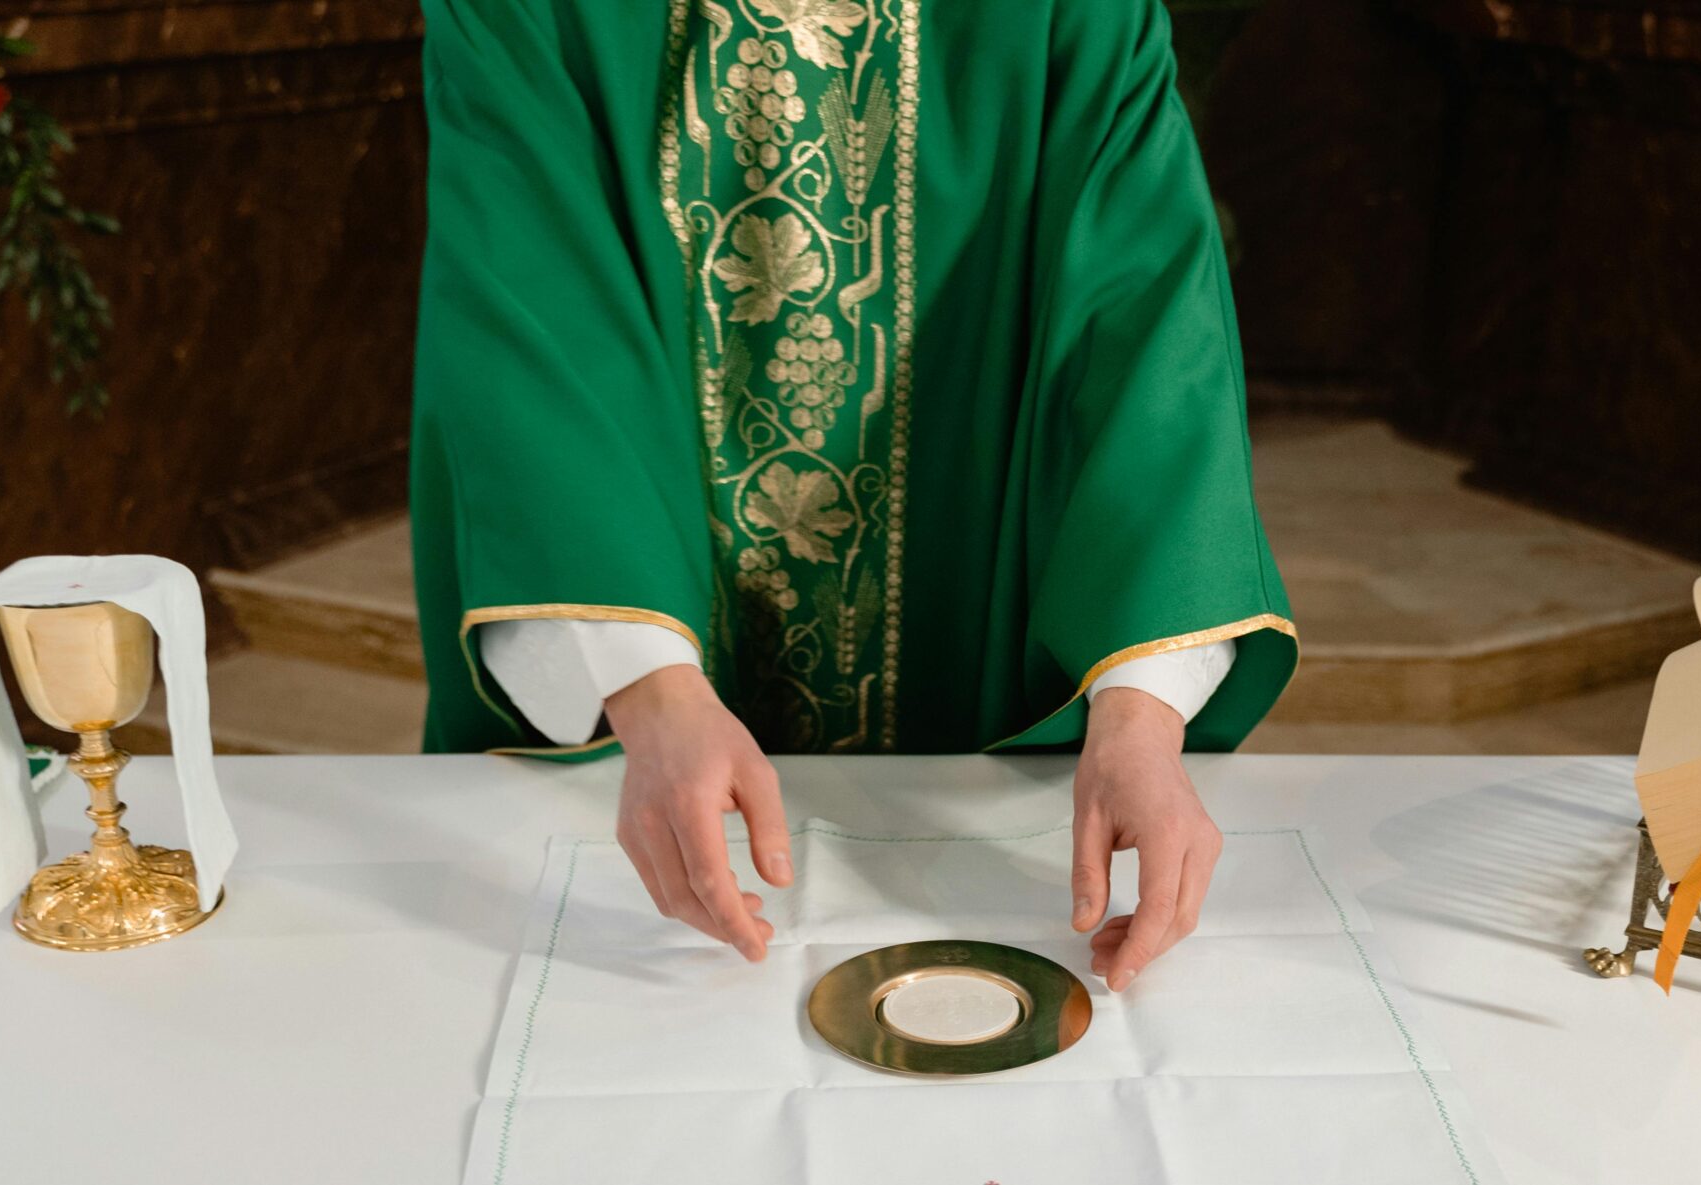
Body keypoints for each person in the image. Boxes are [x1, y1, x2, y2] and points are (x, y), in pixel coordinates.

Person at [410, 0, 1296, 990]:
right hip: (631, 751)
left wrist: (1139, 717)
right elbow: (525, 316)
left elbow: (1146, 334)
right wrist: (648, 692)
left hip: (987, 767)